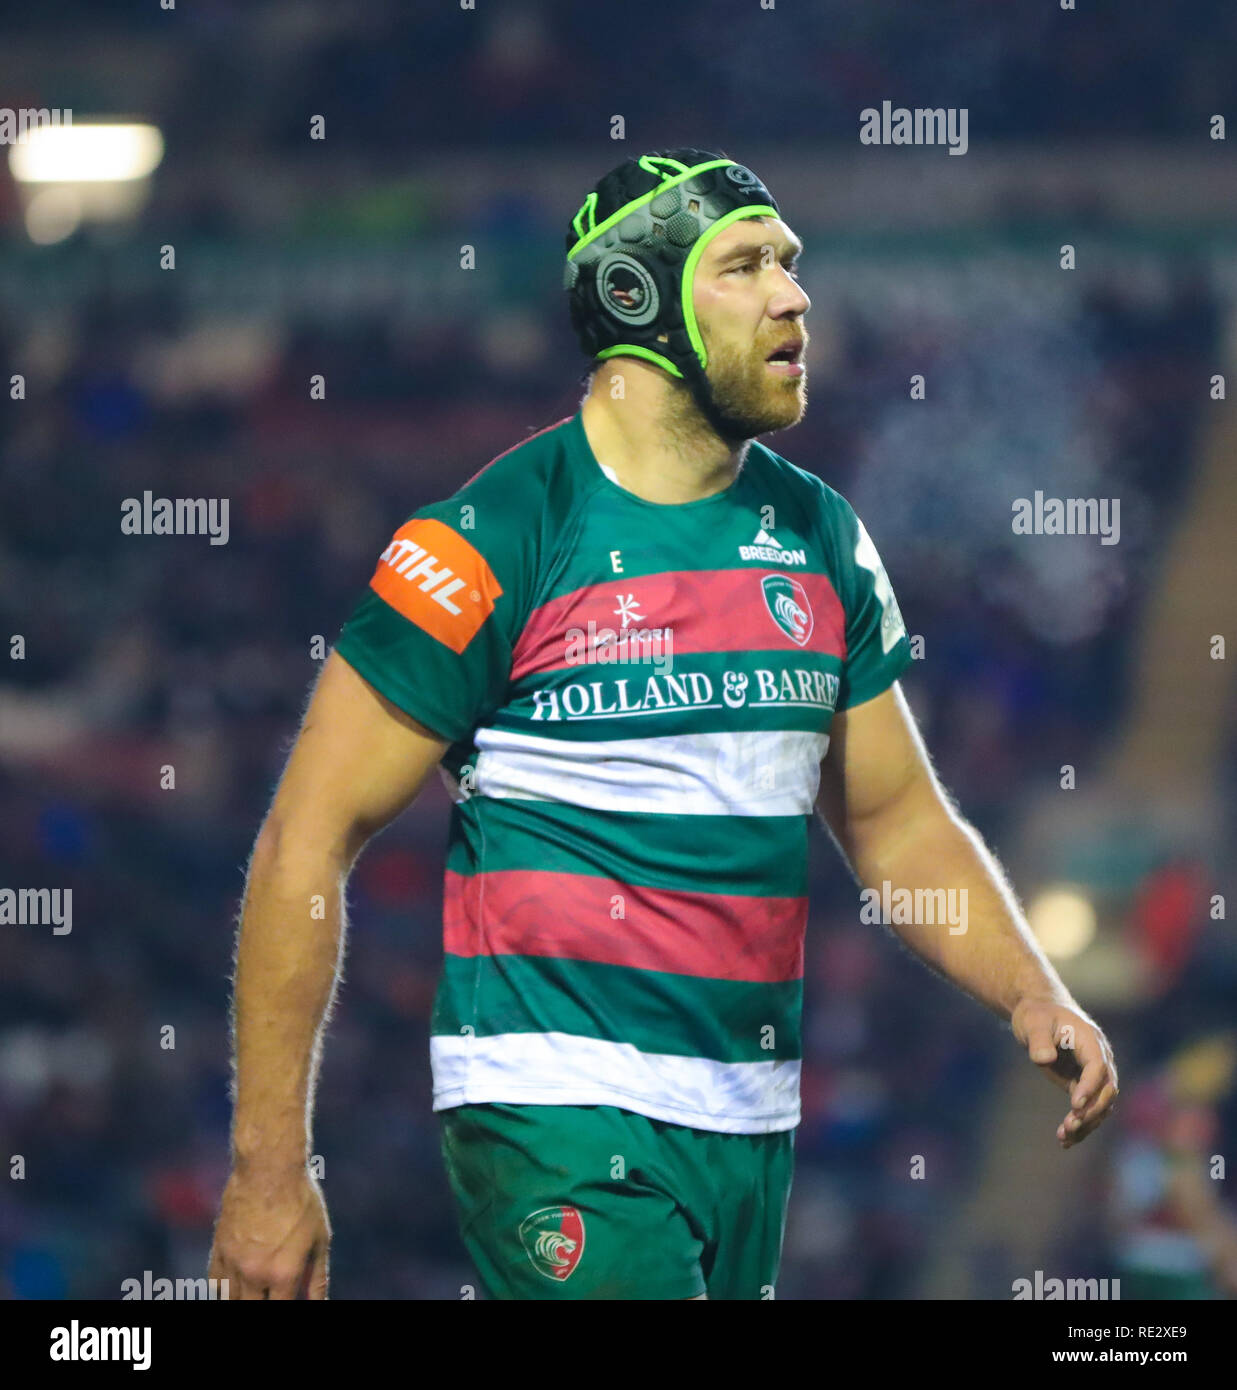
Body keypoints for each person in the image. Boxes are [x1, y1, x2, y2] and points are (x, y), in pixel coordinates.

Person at [207, 148, 1119, 1300]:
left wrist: (1029, 988)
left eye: (790, 264)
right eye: (745, 266)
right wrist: (267, 1170)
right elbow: (305, 841)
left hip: (748, 1120)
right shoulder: (488, 538)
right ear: (636, 304)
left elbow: (897, 824)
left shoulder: (820, 536)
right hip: (555, 1107)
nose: (795, 296)